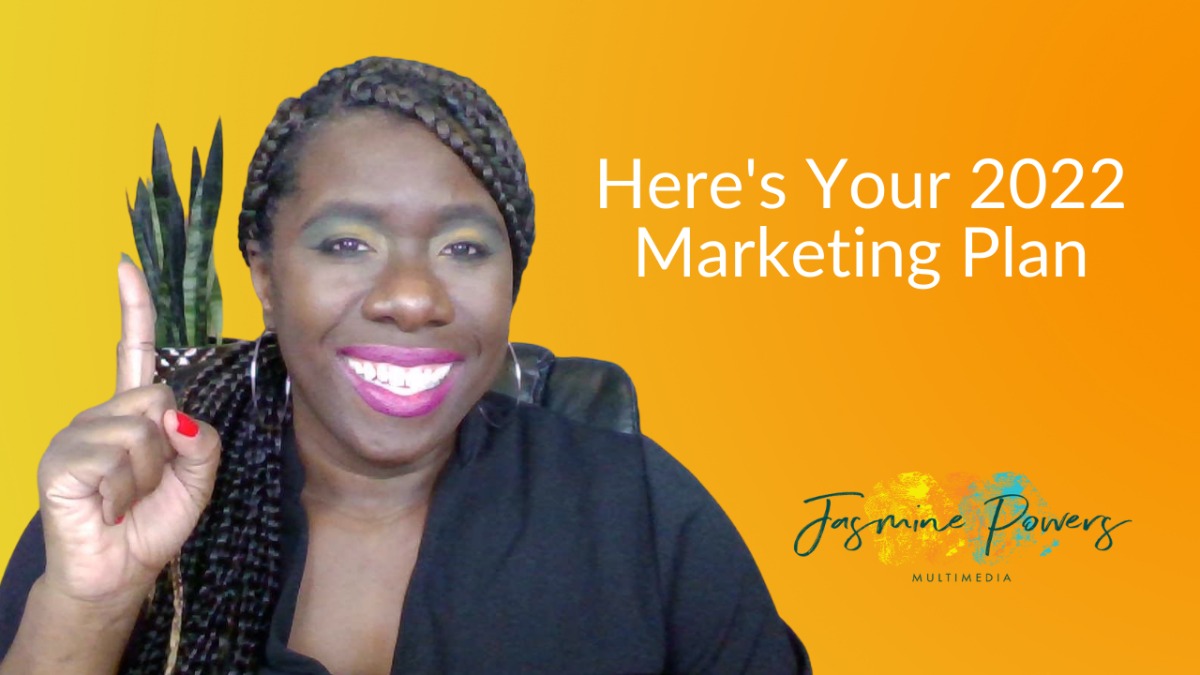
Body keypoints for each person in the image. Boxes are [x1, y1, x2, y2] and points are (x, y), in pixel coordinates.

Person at [0, 57, 811, 674]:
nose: (414, 298)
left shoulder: (642, 513)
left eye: (464, 248)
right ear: (265, 278)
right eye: (349, 243)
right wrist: (89, 607)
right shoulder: (130, 500)